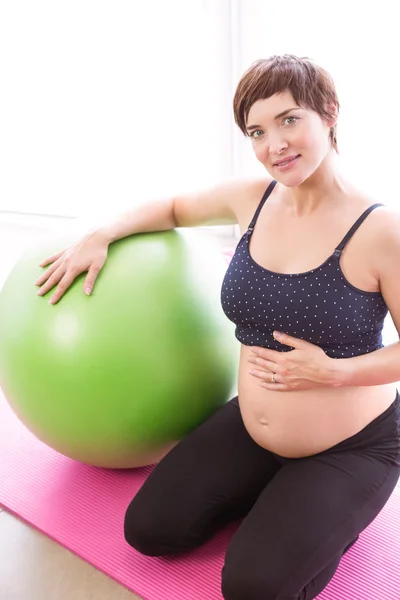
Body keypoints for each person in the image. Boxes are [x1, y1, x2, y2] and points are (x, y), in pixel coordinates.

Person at [35, 55, 400, 600]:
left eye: (289, 120)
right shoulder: (253, 198)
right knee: (149, 531)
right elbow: (176, 207)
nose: (274, 144)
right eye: (257, 131)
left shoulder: (380, 229)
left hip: (350, 446)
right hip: (254, 429)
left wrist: (334, 371)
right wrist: (101, 233)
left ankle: (331, 517)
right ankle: (282, 501)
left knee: (253, 588)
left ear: (329, 114)